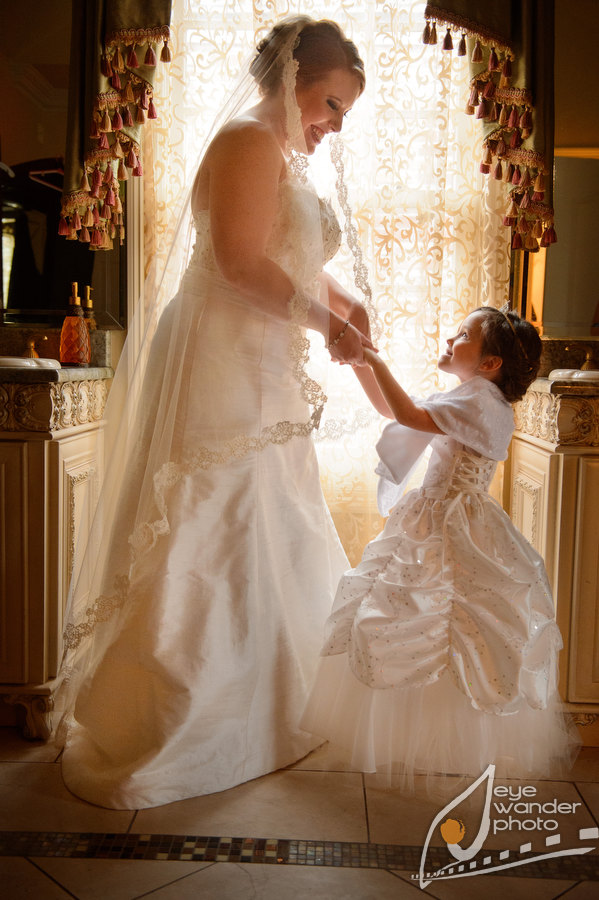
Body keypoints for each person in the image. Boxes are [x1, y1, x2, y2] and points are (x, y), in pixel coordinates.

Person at [57, 15, 374, 809]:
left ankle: (266, 708)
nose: (333, 126)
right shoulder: (244, 140)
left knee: (273, 519)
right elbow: (236, 263)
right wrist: (327, 322)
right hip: (217, 360)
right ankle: (182, 715)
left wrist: (347, 302)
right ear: (296, 78)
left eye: (341, 114)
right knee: (207, 519)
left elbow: (286, 257)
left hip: (262, 365)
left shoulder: (284, 160)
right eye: (332, 105)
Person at [301, 305, 580, 789]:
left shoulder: (480, 402)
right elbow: (398, 411)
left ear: (490, 363)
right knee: (420, 615)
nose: (451, 338)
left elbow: (407, 413)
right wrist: (366, 360)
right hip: (437, 511)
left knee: (444, 616)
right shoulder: (475, 397)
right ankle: (427, 737)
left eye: (463, 335)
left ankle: (440, 742)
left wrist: (373, 359)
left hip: (452, 520)